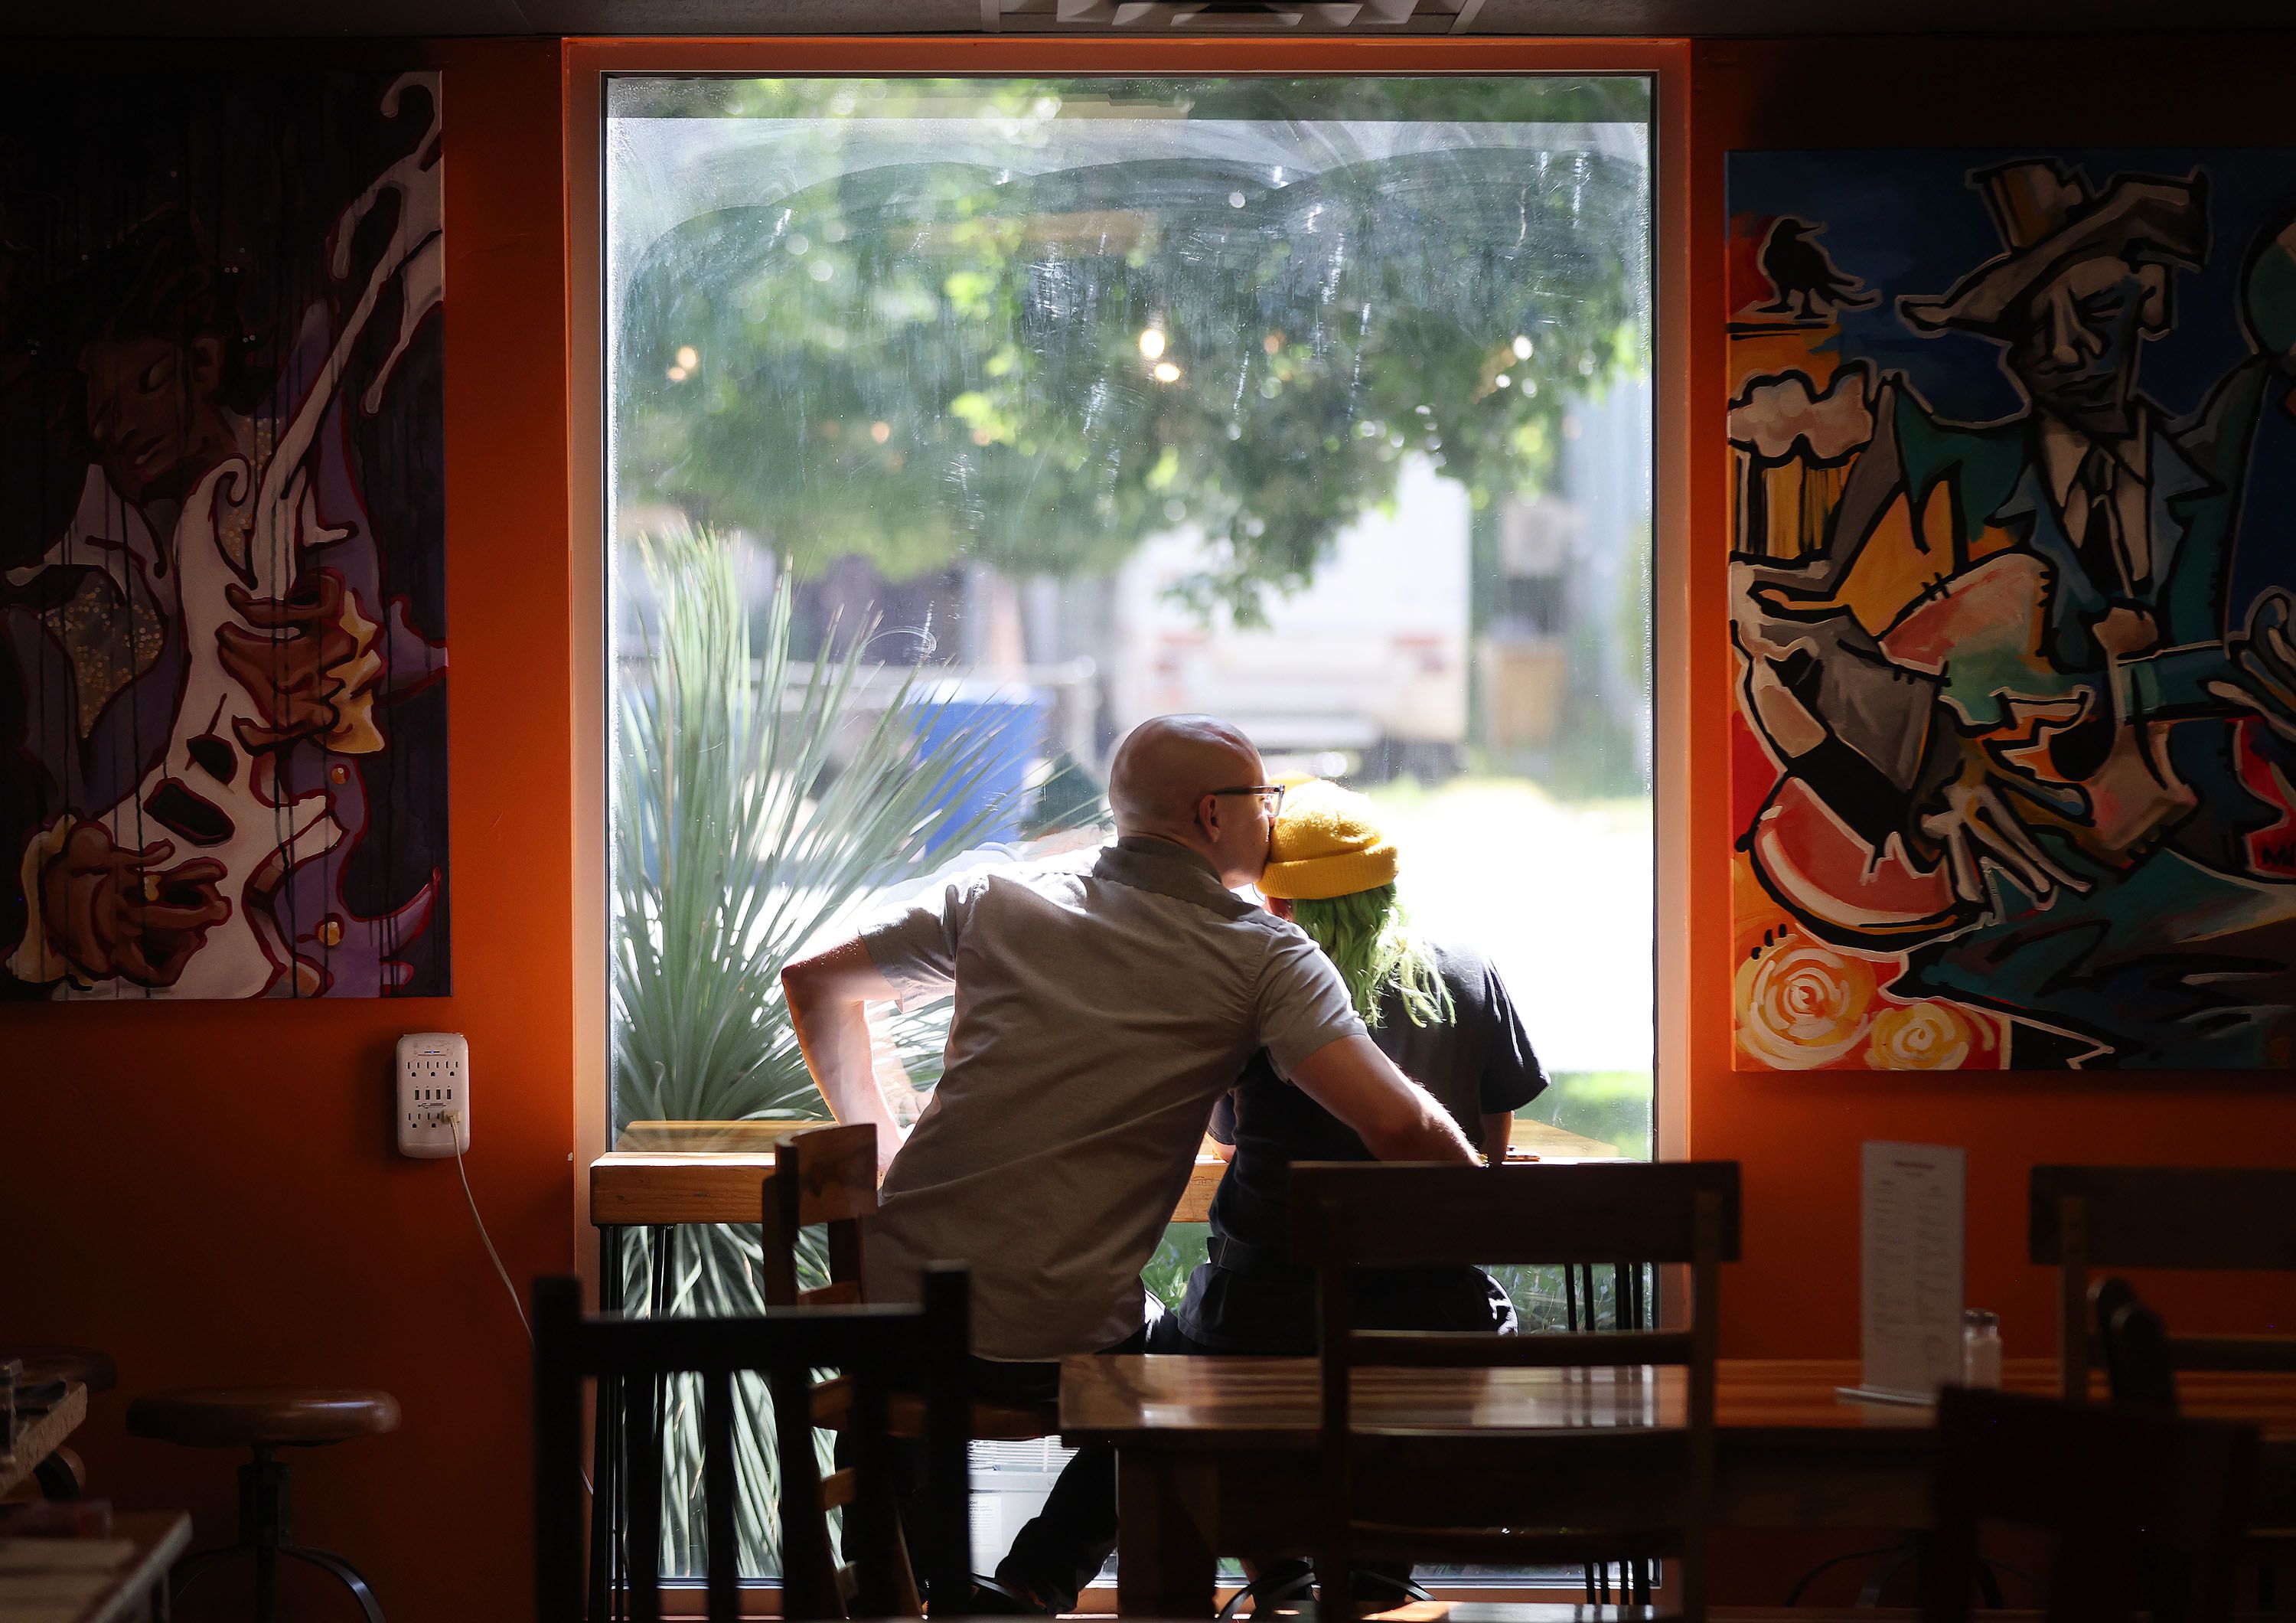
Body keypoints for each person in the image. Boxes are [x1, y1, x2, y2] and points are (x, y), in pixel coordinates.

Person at [780, 714, 1479, 1613]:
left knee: (1056, 1341)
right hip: (1054, 1339)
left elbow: (815, 983)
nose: (1273, 819)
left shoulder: (998, 896)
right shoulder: (1261, 951)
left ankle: (898, 1583)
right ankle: (1058, 1580)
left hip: (896, 1319)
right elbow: (1401, 1126)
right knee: (1189, 1360)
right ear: (1213, 815)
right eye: (1264, 799)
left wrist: (882, 1148)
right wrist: (1492, 1195)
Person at [1162, 776, 1547, 1360]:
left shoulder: (1254, 985)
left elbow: (1232, 1148)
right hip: (1433, 1319)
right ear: (1389, 885)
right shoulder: (1469, 972)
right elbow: (1490, 1145)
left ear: (1276, 902)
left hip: (1266, 1322)